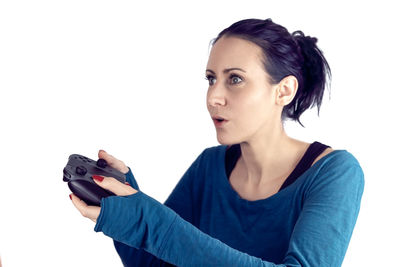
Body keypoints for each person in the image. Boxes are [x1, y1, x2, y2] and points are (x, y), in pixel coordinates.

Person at [70, 18, 364, 266]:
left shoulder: (335, 172)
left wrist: (147, 220)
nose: (213, 98)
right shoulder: (210, 166)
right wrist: (126, 201)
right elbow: (155, 262)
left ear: (284, 91)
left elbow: (161, 231)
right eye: (211, 79)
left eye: (235, 79)